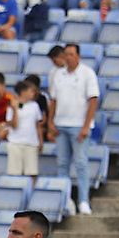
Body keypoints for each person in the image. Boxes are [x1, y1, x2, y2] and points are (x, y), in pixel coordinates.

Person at [48, 42, 100, 215]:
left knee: (80, 162)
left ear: (78, 56)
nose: (68, 57)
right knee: (62, 163)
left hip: (79, 125)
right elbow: (53, 100)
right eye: (66, 54)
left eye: (71, 54)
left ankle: (83, 200)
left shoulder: (87, 73)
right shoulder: (58, 75)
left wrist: (86, 125)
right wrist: (50, 122)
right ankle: (65, 200)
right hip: (60, 124)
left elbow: (93, 100)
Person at [7, 79, 45, 178]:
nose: (33, 94)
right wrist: (15, 109)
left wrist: (40, 141)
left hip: (31, 143)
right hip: (16, 143)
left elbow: (37, 125)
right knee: (15, 173)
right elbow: (14, 125)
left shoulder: (35, 106)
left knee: (32, 173)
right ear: (23, 92)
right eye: (31, 91)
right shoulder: (11, 106)